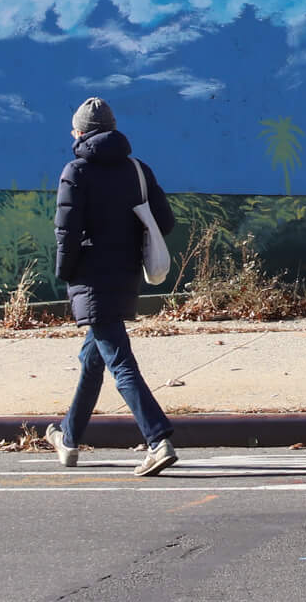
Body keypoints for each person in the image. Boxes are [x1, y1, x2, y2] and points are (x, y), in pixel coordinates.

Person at [45, 97, 178, 475]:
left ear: (80, 132)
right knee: (93, 359)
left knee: (119, 361)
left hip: (91, 277)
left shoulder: (76, 171)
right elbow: (164, 222)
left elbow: (66, 232)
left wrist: (65, 273)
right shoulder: (137, 169)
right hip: (126, 274)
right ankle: (68, 439)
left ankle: (157, 439)